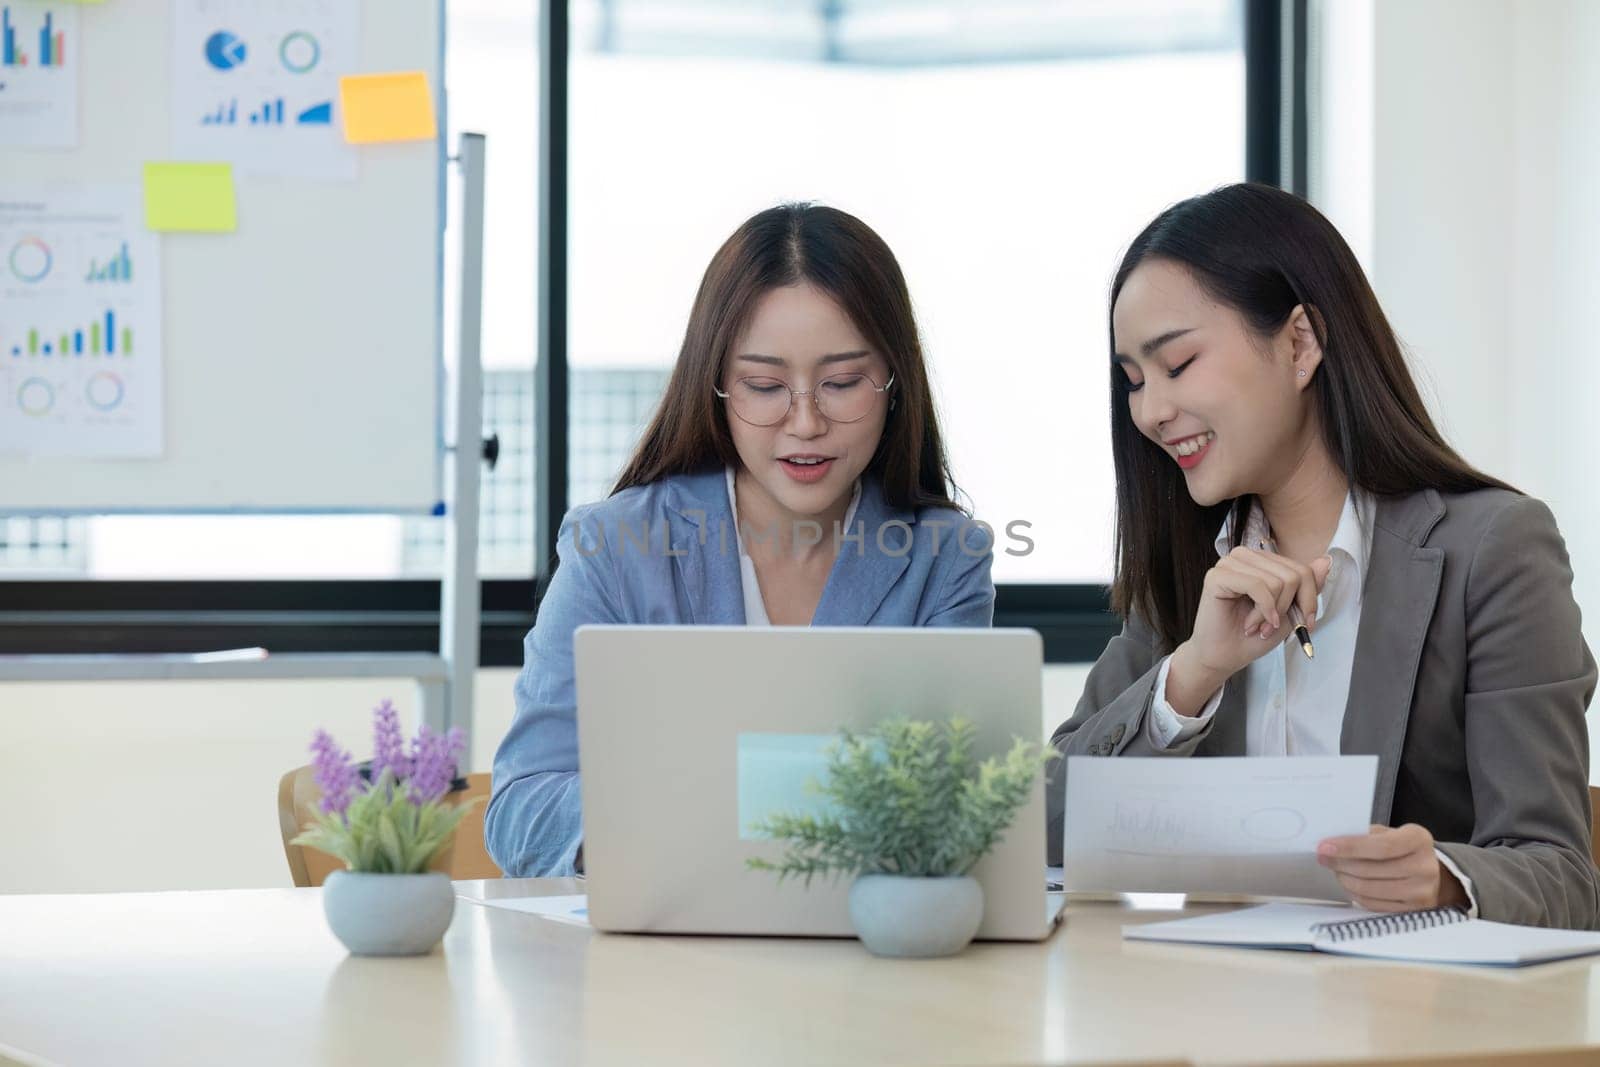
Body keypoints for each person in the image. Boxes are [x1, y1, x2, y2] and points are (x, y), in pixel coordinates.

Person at [1047, 182, 1598, 928]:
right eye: (1134, 381)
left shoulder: (1493, 550)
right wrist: (1195, 672)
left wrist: (1440, 876)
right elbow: (1046, 830)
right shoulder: (1187, 564)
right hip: (1203, 1016)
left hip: (1406, 1021)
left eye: (1176, 365)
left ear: (1300, 342)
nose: (1149, 411)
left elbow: (1561, 873)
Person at [487, 203, 995, 877]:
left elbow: (953, 813)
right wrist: (713, 814)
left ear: (894, 382)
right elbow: (520, 812)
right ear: (718, 384)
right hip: (664, 958)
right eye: (765, 385)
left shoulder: (945, 558)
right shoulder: (614, 547)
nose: (806, 421)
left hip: (869, 952)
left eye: (842, 382)